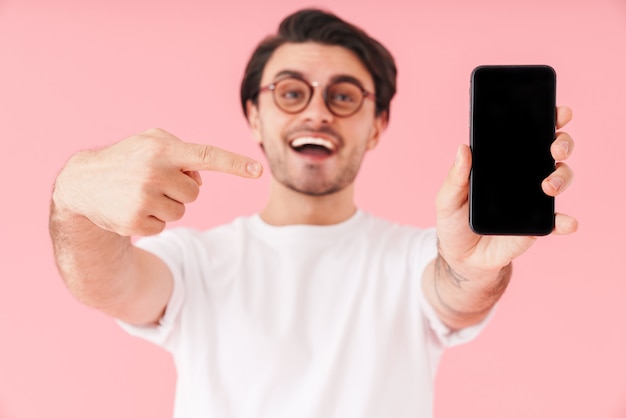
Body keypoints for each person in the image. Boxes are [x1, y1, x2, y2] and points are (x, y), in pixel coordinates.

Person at [48, 8, 577, 418]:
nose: (318, 112)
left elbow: (455, 294)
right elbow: (108, 285)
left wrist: (474, 266)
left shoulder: (415, 257)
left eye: (344, 96)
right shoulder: (194, 261)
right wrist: (74, 201)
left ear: (376, 126)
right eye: (291, 92)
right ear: (255, 117)